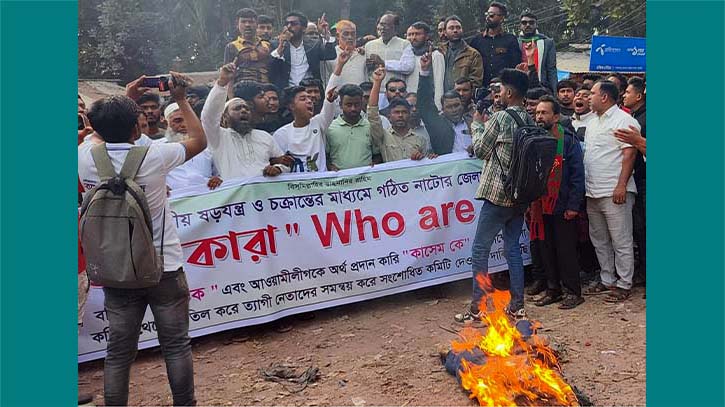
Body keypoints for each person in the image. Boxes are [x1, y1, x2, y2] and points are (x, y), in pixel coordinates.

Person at [78, 72, 205, 406]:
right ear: (137, 129)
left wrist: (125, 97)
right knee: (176, 345)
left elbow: (97, 129)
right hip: (163, 266)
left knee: (118, 353)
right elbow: (199, 141)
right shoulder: (156, 156)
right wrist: (179, 98)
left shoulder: (83, 158)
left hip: (115, 270)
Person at [455, 68, 533, 323]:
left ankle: (477, 307)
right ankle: (518, 305)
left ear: (509, 93)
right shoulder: (528, 120)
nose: (497, 95)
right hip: (520, 196)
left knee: (480, 250)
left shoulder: (500, 119)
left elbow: (480, 149)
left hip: (497, 195)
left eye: (500, 90)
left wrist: (477, 123)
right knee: (513, 250)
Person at [582, 80, 640, 303]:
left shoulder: (624, 120)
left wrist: (621, 185)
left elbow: (629, 155)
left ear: (604, 97)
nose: (588, 97)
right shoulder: (592, 122)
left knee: (621, 240)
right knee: (599, 239)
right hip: (592, 191)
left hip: (615, 190)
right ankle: (607, 280)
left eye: (593, 94)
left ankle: (624, 283)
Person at [528, 95, 585, 309]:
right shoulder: (532, 139)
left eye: (544, 113)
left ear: (556, 116)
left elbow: (578, 175)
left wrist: (573, 206)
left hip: (562, 205)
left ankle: (573, 292)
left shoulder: (568, 140)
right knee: (546, 249)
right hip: (540, 205)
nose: (539, 116)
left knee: (565, 250)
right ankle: (553, 290)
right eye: (537, 113)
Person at [201, 63, 292, 180]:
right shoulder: (218, 137)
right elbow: (209, 116)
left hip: (263, 195)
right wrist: (222, 83)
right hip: (234, 196)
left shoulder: (264, 137)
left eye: (246, 108)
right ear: (225, 116)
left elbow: (285, 163)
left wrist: (278, 168)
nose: (243, 110)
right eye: (237, 108)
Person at [273, 50, 347, 172]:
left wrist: (339, 65)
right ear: (291, 106)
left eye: (309, 98)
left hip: (322, 185)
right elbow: (281, 164)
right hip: (297, 187)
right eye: (303, 98)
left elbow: (329, 96)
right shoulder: (281, 134)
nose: (309, 101)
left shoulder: (319, 123)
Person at [618, 76, 646, 288]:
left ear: (638, 95)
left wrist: (638, 141)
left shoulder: (645, 118)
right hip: (639, 180)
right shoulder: (634, 116)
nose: (624, 96)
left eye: (627, 92)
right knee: (640, 231)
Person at [368, 66, 431, 162]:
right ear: (389, 116)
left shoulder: (420, 139)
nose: (400, 115)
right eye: (397, 112)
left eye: (404, 112)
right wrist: (377, 82)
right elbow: (372, 113)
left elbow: (427, 165)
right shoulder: (383, 136)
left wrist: (423, 158)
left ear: (409, 114)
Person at [417, 50, 471, 155]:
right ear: (443, 109)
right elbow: (424, 103)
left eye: (456, 105)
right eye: (449, 107)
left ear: (462, 105)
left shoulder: (473, 122)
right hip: (447, 169)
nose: (454, 110)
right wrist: (424, 72)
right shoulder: (437, 124)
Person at [159, 103, 221, 192]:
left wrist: (217, 179)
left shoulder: (208, 147)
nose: (184, 125)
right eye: (178, 121)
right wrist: (159, 187)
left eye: (188, 121)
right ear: (166, 123)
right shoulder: (158, 148)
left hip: (206, 198)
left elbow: (219, 174)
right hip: (172, 200)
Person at [270, 11, 337, 89]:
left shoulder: (314, 45)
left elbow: (330, 55)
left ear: (304, 28)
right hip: (287, 94)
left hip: (310, 93)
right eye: (286, 23)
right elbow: (271, 70)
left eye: (293, 24)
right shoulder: (275, 44)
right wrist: (281, 46)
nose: (288, 26)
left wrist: (326, 35)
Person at [468, 2, 522, 88]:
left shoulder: (510, 40)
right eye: (487, 14)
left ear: (502, 18)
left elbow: (515, 65)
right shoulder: (476, 41)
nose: (488, 17)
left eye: (492, 15)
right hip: (482, 89)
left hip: (504, 88)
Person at [325, 84, 374, 170]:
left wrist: (374, 165)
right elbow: (325, 155)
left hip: (366, 180)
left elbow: (377, 154)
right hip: (340, 180)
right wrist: (330, 167)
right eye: (348, 105)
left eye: (356, 104)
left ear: (362, 104)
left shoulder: (370, 126)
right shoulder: (330, 128)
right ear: (340, 105)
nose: (353, 109)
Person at [223, 8, 273, 84]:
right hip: (242, 90)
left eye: (251, 22)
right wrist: (231, 95)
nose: (247, 25)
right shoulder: (231, 47)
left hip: (265, 90)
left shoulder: (267, 45)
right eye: (243, 22)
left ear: (256, 24)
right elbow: (228, 75)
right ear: (237, 25)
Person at [364, 13, 415, 85]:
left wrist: (383, 63)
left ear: (395, 27)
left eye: (386, 25)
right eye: (381, 24)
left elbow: (408, 67)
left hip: (396, 92)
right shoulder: (369, 45)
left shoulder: (405, 44)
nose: (382, 28)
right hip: (374, 91)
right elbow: (364, 70)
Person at [405, 22, 445, 110]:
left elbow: (439, 84)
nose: (413, 38)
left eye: (417, 34)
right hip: (409, 105)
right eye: (410, 35)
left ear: (426, 36)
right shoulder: (406, 56)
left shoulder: (436, 55)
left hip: (427, 104)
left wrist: (438, 108)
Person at [517, 11, 558, 93]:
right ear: (520, 26)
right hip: (519, 87)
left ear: (536, 25)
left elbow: (551, 69)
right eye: (524, 23)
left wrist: (555, 91)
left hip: (541, 87)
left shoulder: (547, 42)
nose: (528, 25)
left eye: (531, 22)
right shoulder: (515, 42)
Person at [440, 16, 483, 91]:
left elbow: (476, 81)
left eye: (458, 27)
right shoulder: (439, 52)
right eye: (451, 28)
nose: (455, 30)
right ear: (445, 32)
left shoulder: (473, 54)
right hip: (441, 98)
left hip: (462, 99)